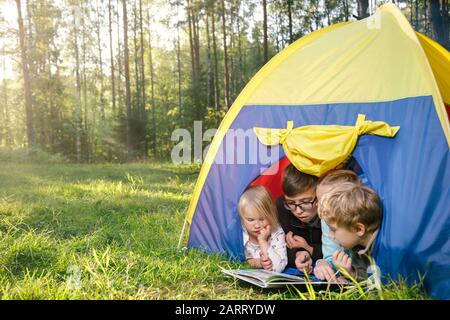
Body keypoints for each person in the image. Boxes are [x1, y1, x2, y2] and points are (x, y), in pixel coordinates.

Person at [318, 182, 382, 282]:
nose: (330, 236)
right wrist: (349, 274)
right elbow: (365, 276)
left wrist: (351, 274)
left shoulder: (384, 249)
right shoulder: (357, 247)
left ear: (358, 229)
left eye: (333, 230)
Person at [314, 170, 361, 281]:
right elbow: (332, 255)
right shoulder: (326, 220)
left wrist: (350, 276)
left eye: (326, 201)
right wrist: (322, 263)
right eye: (319, 201)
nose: (320, 208)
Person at [275, 164, 321, 274]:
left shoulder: (332, 209)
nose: (298, 211)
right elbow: (277, 246)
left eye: (305, 202)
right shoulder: (282, 208)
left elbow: (343, 249)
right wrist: (298, 253)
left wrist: (309, 249)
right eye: (291, 203)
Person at [238, 185, 288, 273]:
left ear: (271, 215)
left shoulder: (276, 232)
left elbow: (278, 267)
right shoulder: (239, 232)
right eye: (250, 220)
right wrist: (258, 263)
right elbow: (233, 259)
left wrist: (263, 241)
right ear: (242, 218)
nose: (257, 225)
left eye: (262, 219)